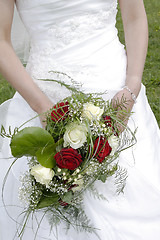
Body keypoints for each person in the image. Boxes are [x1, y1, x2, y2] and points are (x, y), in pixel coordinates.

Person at [0, 0, 160, 239]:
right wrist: (43, 108)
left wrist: (132, 87)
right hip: (43, 96)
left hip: (116, 92)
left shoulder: (126, 93)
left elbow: (135, 17)